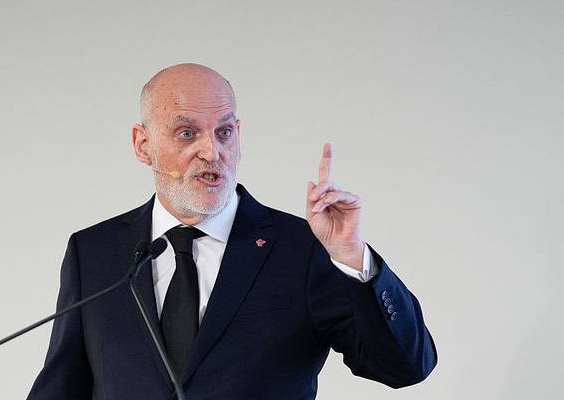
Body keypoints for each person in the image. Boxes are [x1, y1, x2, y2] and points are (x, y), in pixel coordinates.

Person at [27, 63, 437, 399]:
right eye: (187, 133)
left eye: (223, 132)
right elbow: (62, 388)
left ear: (238, 136)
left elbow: (405, 367)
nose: (211, 151)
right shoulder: (94, 252)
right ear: (142, 144)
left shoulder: (302, 249)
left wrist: (351, 255)